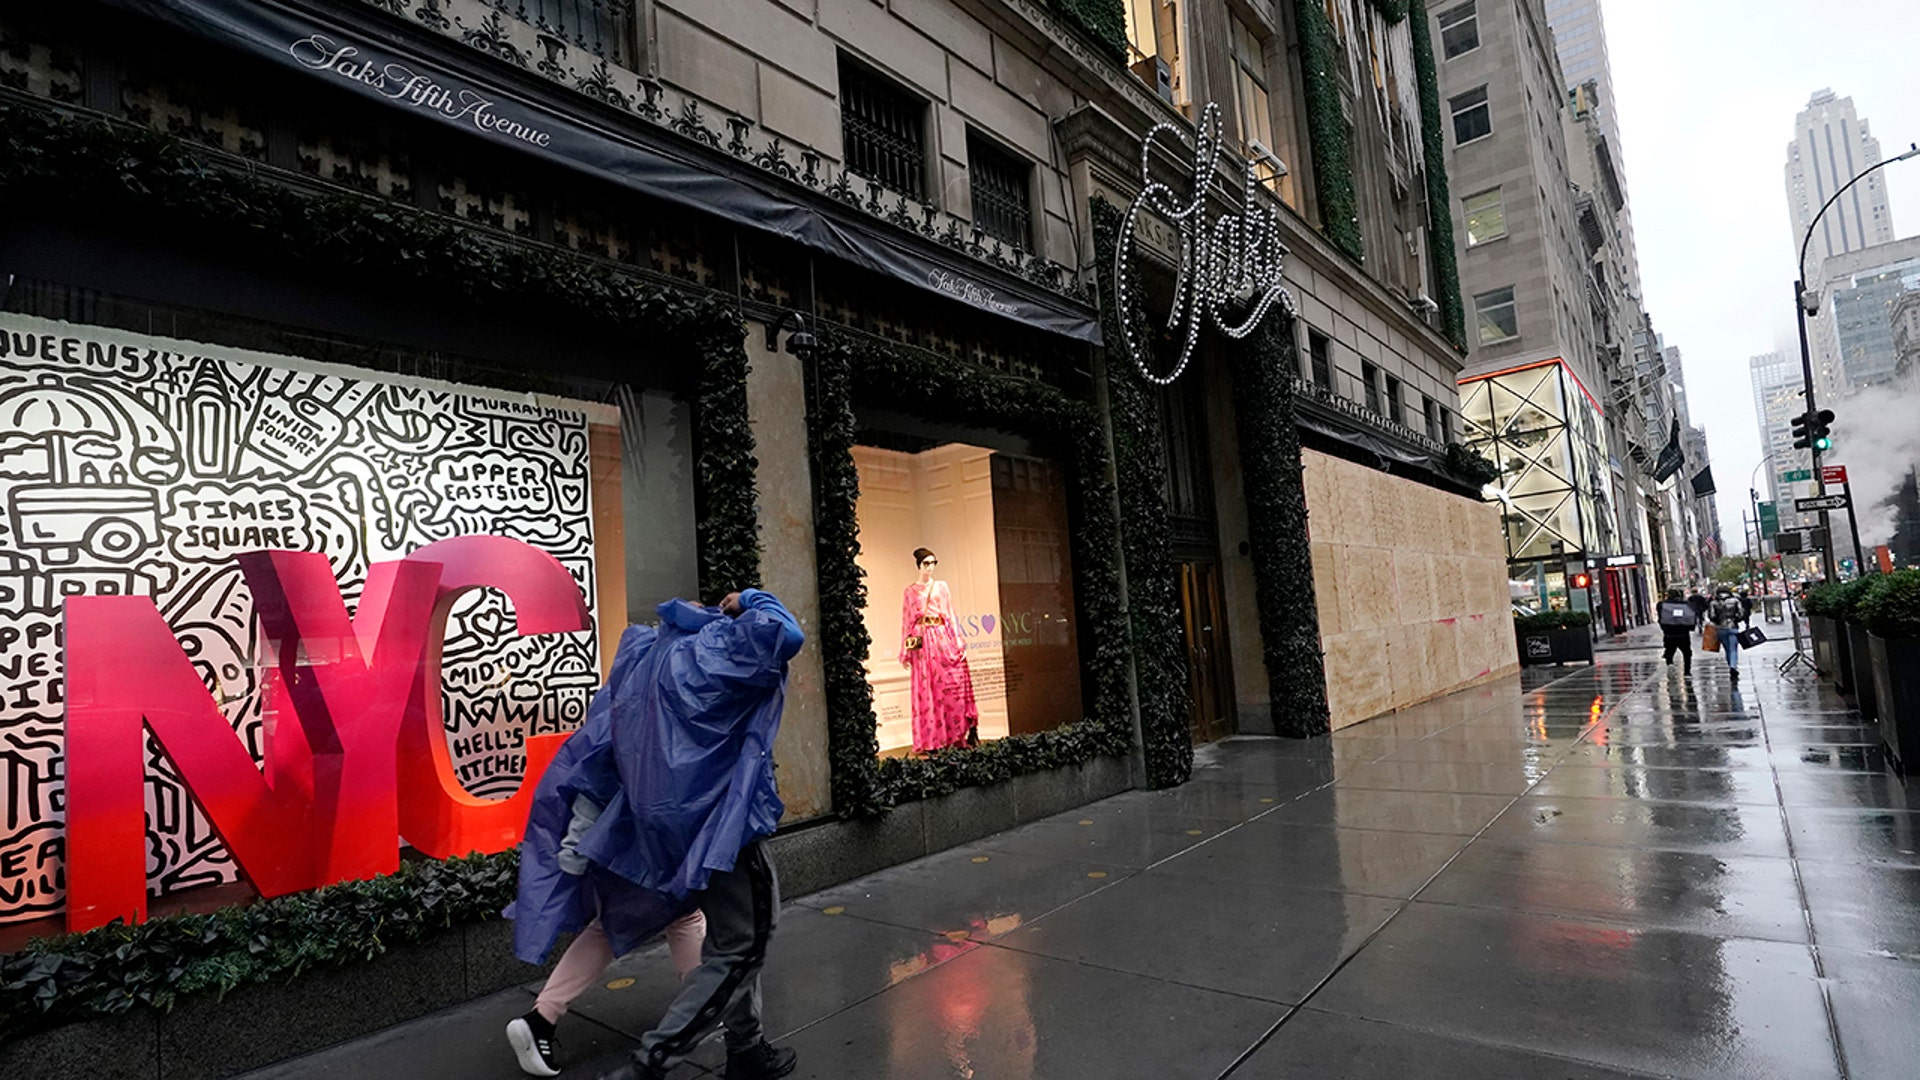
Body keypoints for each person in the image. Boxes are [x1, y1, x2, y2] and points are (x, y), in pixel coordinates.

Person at [507, 588, 805, 1080]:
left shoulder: (646, 658)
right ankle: (657, 1061)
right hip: (719, 825)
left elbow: (600, 744)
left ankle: (744, 1044)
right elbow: (785, 632)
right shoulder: (719, 647)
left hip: (657, 829)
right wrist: (750, 598)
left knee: (712, 934)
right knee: (738, 945)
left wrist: (580, 831)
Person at [504, 612, 710, 1076]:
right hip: (639, 846)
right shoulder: (662, 698)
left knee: (630, 922)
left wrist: (578, 841)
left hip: (617, 844)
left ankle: (543, 1017)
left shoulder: (627, 692)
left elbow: (591, 765)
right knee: (677, 913)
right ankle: (698, 1010)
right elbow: (601, 771)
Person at [1709, 585, 1750, 685]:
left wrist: (1718, 621)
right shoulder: (1735, 601)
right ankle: (1733, 666)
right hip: (1733, 627)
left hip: (1720, 628)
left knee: (1727, 649)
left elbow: (1712, 616)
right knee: (1733, 649)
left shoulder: (1714, 603)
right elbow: (1741, 613)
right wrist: (1736, 619)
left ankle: (1731, 666)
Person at [1657, 587, 1696, 674]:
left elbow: (1660, 618)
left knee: (1670, 650)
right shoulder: (1685, 605)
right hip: (1683, 633)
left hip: (1669, 633)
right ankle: (1687, 671)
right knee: (1687, 653)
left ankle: (1669, 663)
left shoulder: (1662, 605)